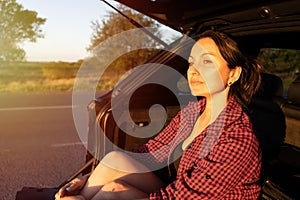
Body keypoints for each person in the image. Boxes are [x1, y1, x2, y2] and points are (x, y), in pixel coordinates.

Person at [55, 30, 262, 200]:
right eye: (191, 62)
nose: (193, 71)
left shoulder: (237, 139)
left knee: (113, 194)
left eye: (206, 62)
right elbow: (152, 151)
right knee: (114, 160)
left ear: (233, 74)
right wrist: (87, 179)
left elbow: (184, 197)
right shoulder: (193, 111)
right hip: (180, 189)